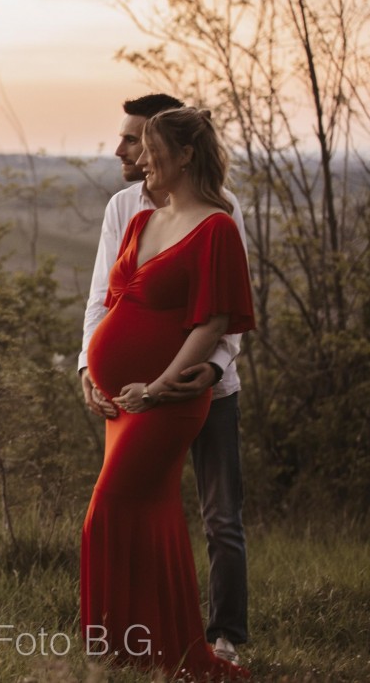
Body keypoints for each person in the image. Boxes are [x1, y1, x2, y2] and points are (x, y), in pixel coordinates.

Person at [80, 106, 254, 680]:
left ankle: (209, 639)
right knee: (148, 514)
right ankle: (142, 649)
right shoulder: (134, 218)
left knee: (123, 509)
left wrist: (159, 387)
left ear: (182, 154)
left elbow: (215, 320)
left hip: (174, 395)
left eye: (147, 146)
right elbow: (107, 304)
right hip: (123, 402)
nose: (136, 157)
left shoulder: (220, 223)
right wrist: (90, 368)